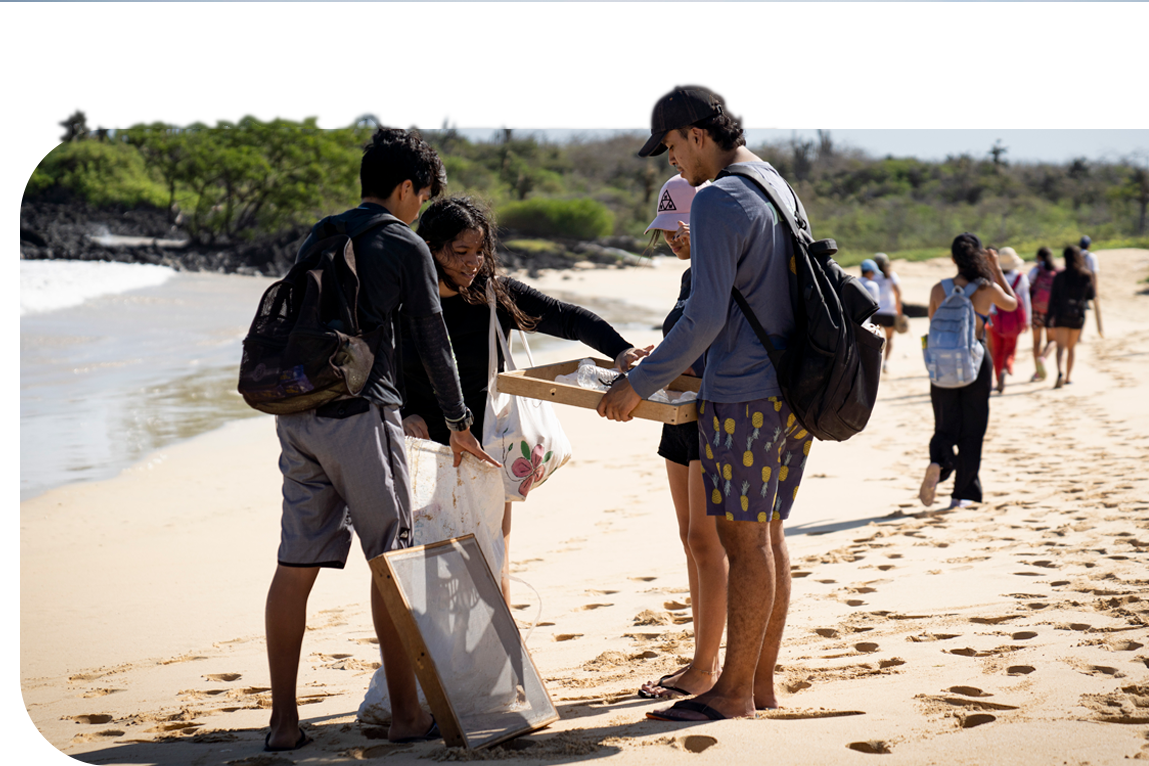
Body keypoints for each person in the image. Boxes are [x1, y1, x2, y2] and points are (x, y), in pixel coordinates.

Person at [263, 129, 499, 750]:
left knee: (294, 565)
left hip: (299, 412)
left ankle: (284, 724)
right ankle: (404, 716)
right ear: (405, 189)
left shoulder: (323, 232)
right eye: (422, 197)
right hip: (363, 416)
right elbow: (432, 340)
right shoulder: (403, 242)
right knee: (391, 562)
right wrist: (458, 422)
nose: (421, 208)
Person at [599, 81, 807, 721]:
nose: (670, 161)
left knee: (741, 543)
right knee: (767, 538)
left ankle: (733, 692)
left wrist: (638, 384)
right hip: (795, 390)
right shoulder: (775, 182)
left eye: (669, 145)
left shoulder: (717, 198)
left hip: (744, 395)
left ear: (696, 133)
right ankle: (760, 683)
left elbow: (704, 317)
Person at [400, 195, 646, 602]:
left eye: (480, 252)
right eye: (460, 252)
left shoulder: (492, 296)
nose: (473, 262)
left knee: (492, 555)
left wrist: (620, 350)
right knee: (426, 559)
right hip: (422, 447)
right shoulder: (402, 302)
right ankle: (438, 657)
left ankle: (500, 656)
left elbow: (568, 317)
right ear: (430, 247)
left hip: (486, 443)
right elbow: (379, 364)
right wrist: (403, 411)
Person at [635, 174, 729, 701]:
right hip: (680, 413)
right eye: (666, 229)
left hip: (708, 413)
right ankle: (703, 657)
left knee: (705, 542)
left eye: (680, 227)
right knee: (690, 540)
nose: (672, 237)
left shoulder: (717, 271)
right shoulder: (692, 276)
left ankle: (705, 667)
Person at [918, 234, 1018, 510]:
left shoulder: (939, 289)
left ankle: (939, 461)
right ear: (980, 257)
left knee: (944, 424)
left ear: (953, 259)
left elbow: (933, 324)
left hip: (942, 364)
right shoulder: (987, 289)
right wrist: (996, 269)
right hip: (976, 360)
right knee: (973, 429)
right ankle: (960, 495)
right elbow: (1013, 304)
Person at [1046, 245, 1096, 389]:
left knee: (1060, 347)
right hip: (1077, 315)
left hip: (1061, 314)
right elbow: (1091, 295)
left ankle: (1060, 371)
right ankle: (1068, 377)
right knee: (1071, 347)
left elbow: (1052, 299)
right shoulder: (1086, 275)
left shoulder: (1059, 276)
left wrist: (1049, 318)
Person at [984, 247, 1031, 394]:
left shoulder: (992, 278)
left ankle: (998, 377)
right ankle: (1006, 367)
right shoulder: (1020, 278)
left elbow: (989, 302)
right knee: (1009, 349)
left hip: (995, 319)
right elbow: (1025, 300)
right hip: (1014, 320)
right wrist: (1027, 321)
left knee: (996, 350)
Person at [1027, 246, 1058, 381]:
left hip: (1036, 310)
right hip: (1051, 310)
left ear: (1039, 257)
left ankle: (1037, 371)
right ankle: (1043, 358)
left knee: (1036, 342)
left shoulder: (1036, 270)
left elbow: (1027, 286)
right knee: (1052, 340)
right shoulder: (1056, 271)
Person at [871, 253, 903, 374]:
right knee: (889, 338)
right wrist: (899, 309)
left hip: (875, 311)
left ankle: (874, 363)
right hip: (889, 311)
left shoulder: (872, 275)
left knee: (874, 339)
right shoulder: (891, 275)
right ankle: (886, 363)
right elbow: (898, 292)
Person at [1079, 235, 1104, 337]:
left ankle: (1078, 335)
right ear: (1089, 246)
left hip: (1075, 286)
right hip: (1087, 287)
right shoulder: (1091, 257)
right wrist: (1095, 291)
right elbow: (1093, 275)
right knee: (1083, 311)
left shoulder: (1076, 255)